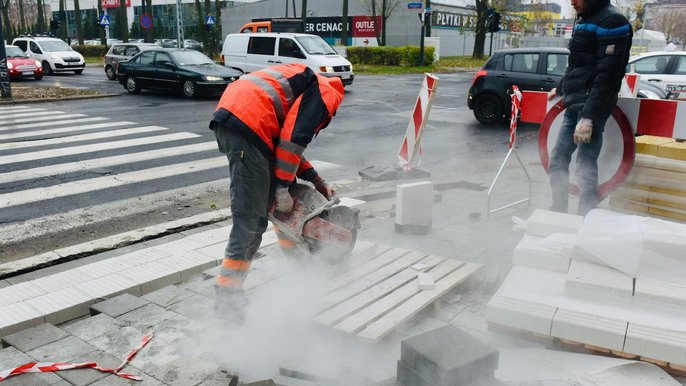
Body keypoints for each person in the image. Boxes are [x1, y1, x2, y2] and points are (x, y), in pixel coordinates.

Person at [209, 63, 345, 320]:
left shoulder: (308, 83)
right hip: (248, 125)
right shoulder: (327, 95)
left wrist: (314, 180)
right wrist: (282, 185)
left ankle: (299, 265)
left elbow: (286, 144)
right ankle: (228, 298)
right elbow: (293, 141)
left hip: (242, 117)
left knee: (276, 205)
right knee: (251, 219)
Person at [546, 0, 632, 216]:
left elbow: (608, 75)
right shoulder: (585, 18)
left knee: (585, 163)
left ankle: (586, 215)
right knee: (557, 159)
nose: (572, 2)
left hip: (593, 107)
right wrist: (562, 87)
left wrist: (589, 116)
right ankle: (558, 212)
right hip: (575, 102)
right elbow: (577, 64)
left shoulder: (614, 21)